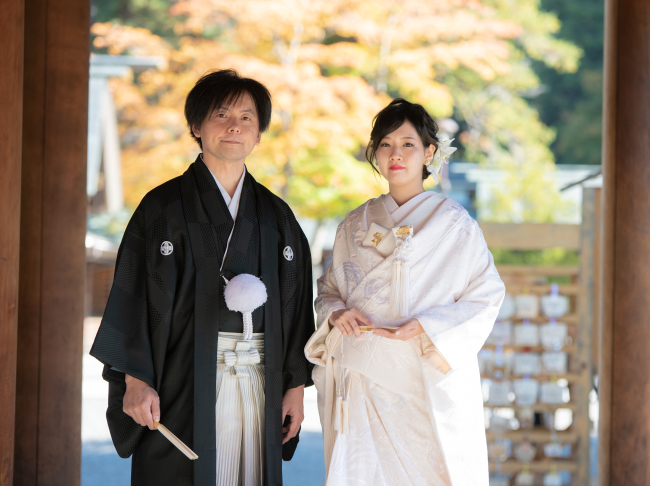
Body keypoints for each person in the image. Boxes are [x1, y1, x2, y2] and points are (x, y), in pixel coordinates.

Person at [90, 69, 315, 486]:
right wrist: (135, 380)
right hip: (181, 383)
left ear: (260, 133)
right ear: (196, 126)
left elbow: (297, 306)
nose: (235, 126)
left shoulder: (277, 216)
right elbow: (132, 297)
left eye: (248, 117)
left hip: (259, 383)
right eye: (221, 114)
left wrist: (296, 387)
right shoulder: (161, 208)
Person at [304, 98, 506, 485]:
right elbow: (329, 288)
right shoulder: (354, 223)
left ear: (429, 152)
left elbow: (486, 295)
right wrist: (335, 313)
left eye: (408, 144)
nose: (396, 154)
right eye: (385, 144)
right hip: (362, 378)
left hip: (422, 376)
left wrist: (428, 325)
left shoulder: (455, 226)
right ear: (375, 153)